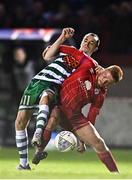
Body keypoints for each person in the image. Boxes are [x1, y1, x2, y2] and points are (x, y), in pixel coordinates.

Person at [15, 27, 100, 170]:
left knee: (47, 97)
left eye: (91, 42)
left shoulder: (92, 65)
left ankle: (38, 133)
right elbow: (47, 56)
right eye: (85, 40)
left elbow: (101, 78)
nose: (86, 43)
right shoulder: (70, 49)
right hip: (37, 81)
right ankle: (24, 164)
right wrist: (62, 37)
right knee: (19, 123)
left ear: (96, 48)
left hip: (55, 84)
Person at [32, 42, 123, 173]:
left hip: (74, 116)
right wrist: (54, 47)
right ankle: (39, 152)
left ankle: (115, 174)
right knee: (53, 118)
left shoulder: (100, 94)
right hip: (59, 104)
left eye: (107, 82)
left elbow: (91, 116)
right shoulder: (88, 65)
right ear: (103, 70)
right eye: (104, 76)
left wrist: (82, 141)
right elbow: (75, 53)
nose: (103, 81)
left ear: (111, 84)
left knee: (99, 143)